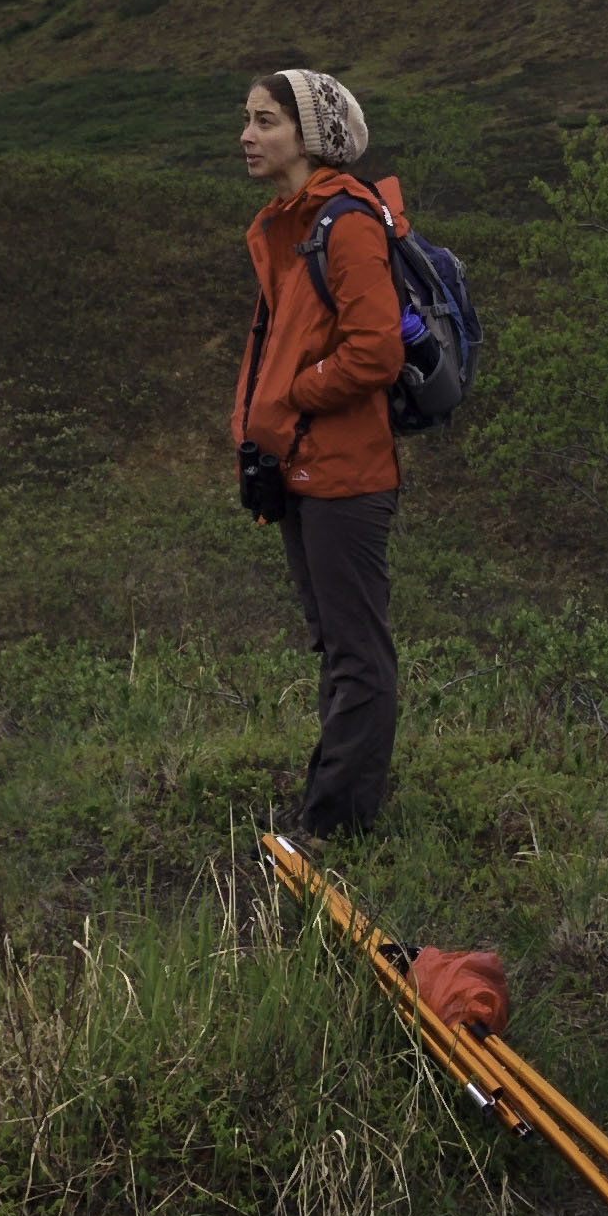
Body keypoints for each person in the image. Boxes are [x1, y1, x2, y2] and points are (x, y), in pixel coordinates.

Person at [234, 69, 406, 840]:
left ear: (311, 137)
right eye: (248, 119)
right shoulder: (291, 223)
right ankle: (330, 808)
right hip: (300, 468)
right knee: (335, 643)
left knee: (356, 651)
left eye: (265, 121)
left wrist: (295, 397)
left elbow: (375, 352)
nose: (247, 136)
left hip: (344, 473)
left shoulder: (347, 223)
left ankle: (339, 824)